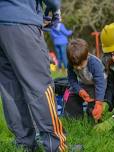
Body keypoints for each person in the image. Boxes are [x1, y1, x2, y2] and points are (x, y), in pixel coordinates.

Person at [0, 0, 68, 151]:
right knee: (40, 85)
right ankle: (55, 146)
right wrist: (53, 9)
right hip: (21, 20)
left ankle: (24, 144)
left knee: (10, 90)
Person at [64, 39, 106, 122]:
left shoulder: (94, 63)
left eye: (81, 64)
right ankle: (75, 120)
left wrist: (99, 102)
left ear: (87, 56)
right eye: (75, 65)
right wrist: (79, 90)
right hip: (84, 83)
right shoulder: (70, 63)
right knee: (70, 96)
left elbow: (100, 83)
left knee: (93, 105)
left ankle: (94, 119)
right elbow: (72, 79)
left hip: (98, 85)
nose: (78, 68)